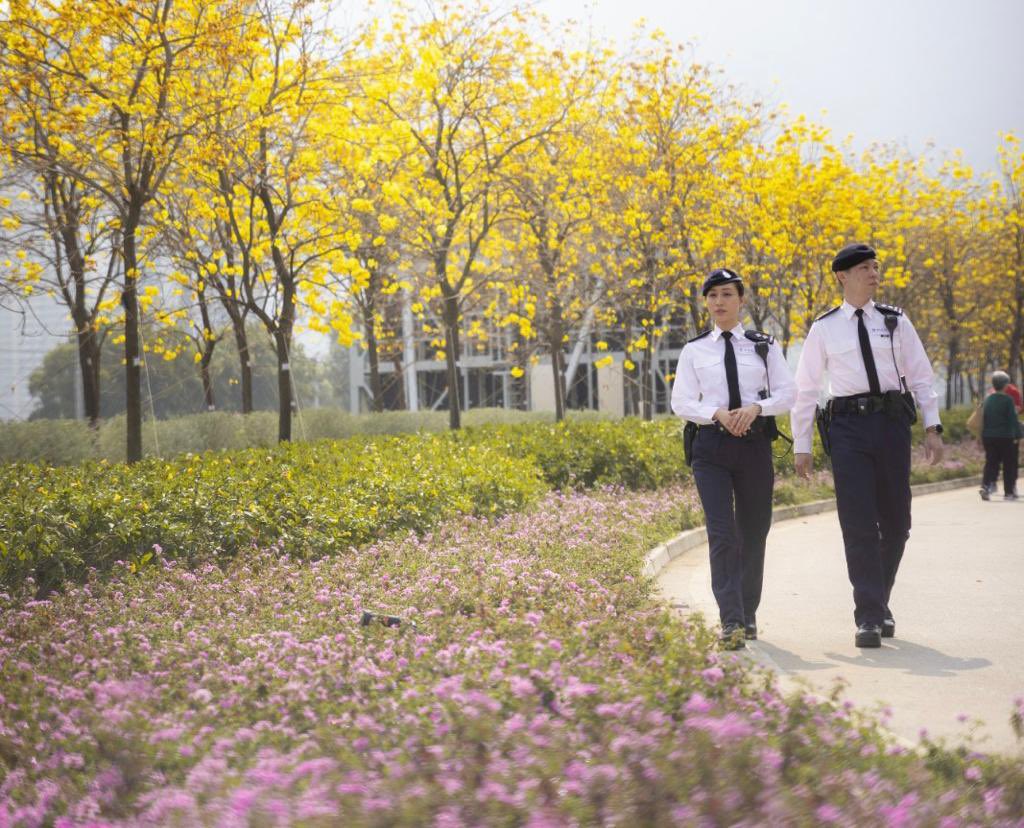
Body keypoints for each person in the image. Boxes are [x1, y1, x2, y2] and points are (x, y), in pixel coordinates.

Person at [791, 243, 944, 648]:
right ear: (842, 276)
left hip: (892, 424)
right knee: (858, 523)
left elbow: (921, 376)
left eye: (876, 267)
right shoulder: (824, 327)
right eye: (864, 268)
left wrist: (933, 426)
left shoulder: (896, 321)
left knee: (897, 524)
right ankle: (869, 617)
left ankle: (879, 601)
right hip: (846, 429)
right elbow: (806, 389)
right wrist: (801, 444)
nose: (874, 273)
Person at [671, 268, 796, 650]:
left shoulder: (763, 345)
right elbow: (681, 402)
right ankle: (731, 621)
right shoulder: (695, 350)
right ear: (706, 303)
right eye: (712, 296)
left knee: (753, 532)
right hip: (710, 448)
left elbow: (788, 393)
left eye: (727, 294)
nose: (719, 302)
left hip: (754, 446)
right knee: (722, 534)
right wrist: (716, 413)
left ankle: (748, 612)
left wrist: (757, 408)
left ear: (742, 300)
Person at [979, 371, 1021, 501]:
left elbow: (982, 418)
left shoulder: (987, 399)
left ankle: (986, 486)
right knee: (1009, 464)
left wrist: (980, 435)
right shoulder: (1008, 400)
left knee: (991, 462)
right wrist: (1019, 435)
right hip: (1005, 437)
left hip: (988, 437)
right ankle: (1009, 492)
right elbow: (1012, 420)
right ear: (1005, 385)